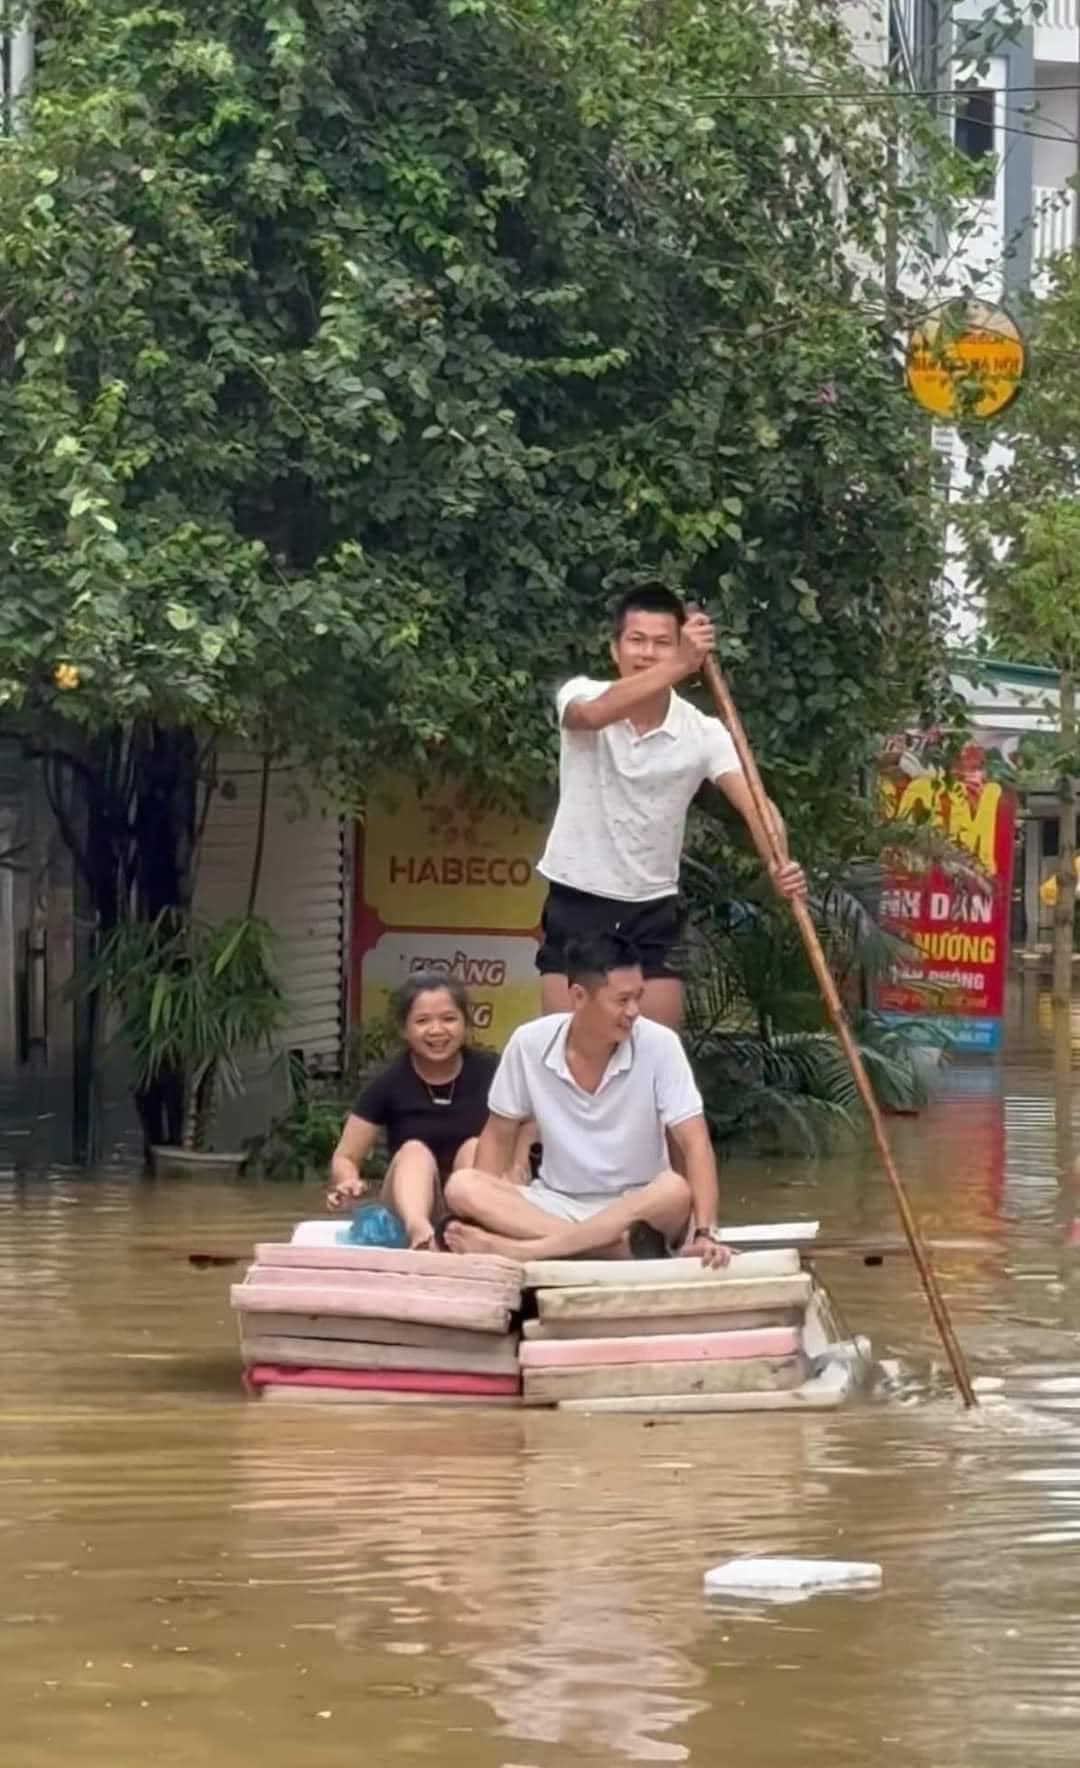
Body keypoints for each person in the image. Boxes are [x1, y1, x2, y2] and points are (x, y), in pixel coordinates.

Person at [535, 586, 806, 1027]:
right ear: (614, 649)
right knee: (564, 1057)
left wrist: (779, 860)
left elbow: (757, 805)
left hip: (652, 907)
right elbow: (590, 716)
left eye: (663, 643)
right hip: (577, 896)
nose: (648, 652)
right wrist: (680, 663)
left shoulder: (703, 732)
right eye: (636, 640)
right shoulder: (581, 694)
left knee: (654, 1062)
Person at [443, 933, 730, 1266]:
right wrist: (481, 1213)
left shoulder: (660, 1044)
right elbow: (498, 1135)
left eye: (638, 997)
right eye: (621, 1000)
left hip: (639, 1206)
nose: (634, 1011)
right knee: (463, 1186)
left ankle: (528, 1250)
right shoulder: (529, 1043)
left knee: (675, 1191)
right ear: (579, 996)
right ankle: (609, 1249)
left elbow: (695, 1143)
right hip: (555, 1202)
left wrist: (705, 1233)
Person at [327, 971, 534, 1249]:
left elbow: (529, 1121)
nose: (437, 1030)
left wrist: (518, 1167)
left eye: (448, 1019)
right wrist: (348, 1182)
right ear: (404, 1029)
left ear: (466, 1023)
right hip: (411, 1202)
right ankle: (421, 1236)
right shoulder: (388, 1083)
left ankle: (475, 1229)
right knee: (414, 1151)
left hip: (476, 1197)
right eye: (423, 1021)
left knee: (475, 1146)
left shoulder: (493, 1071)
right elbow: (346, 1156)